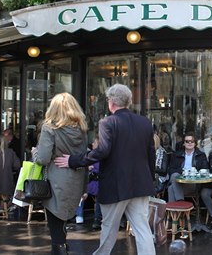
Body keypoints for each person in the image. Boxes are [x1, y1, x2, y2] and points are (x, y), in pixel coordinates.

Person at [54, 84, 156, 255]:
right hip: (140, 185)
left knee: (109, 230)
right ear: (128, 101)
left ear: (111, 102)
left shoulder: (108, 122)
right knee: (143, 230)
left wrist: (73, 161)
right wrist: (149, 179)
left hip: (115, 186)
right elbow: (150, 154)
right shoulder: (145, 122)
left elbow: (102, 151)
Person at [33, 92, 89, 255]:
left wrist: (35, 153)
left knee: (55, 229)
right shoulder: (82, 128)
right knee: (62, 224)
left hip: (56, 180)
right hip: (76, 179)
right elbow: (83, 156)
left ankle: (60, 250)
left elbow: (43, 158)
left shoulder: (49, 127)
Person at [167, 132, 209, 202]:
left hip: (193, 183)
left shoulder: (201, 155)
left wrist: (194, 173)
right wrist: (183, 172)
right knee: (174, 175)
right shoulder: (177, 155)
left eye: (192, 141)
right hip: (179, 181)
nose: (189, 143)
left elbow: (205, 170)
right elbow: (170, 170)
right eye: (187, 141)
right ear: (184, 143)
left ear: (195, 143)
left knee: (171, 189)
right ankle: (180, 202)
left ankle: (176, 211)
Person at [76, 134, 102, 231]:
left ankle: (79, 215)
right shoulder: (98, 154)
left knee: (81, 191)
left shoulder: (94, 155)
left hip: (92, 182)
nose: (92, 144)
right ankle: (97, 219)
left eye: (94, 142)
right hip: (96, 183)